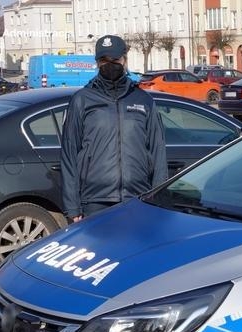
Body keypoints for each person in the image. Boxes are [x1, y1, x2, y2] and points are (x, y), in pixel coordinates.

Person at [61, 35, 167, 222]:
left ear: (124, 60)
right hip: (94, 201)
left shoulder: (143, 100)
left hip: (138, 198)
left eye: (115, 59)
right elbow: (69, 153)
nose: (110, 64)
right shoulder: (82, 100)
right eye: (104, 60)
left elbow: (157, 151)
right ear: (97, 63)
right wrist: (72, 206)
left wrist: (158, 198)